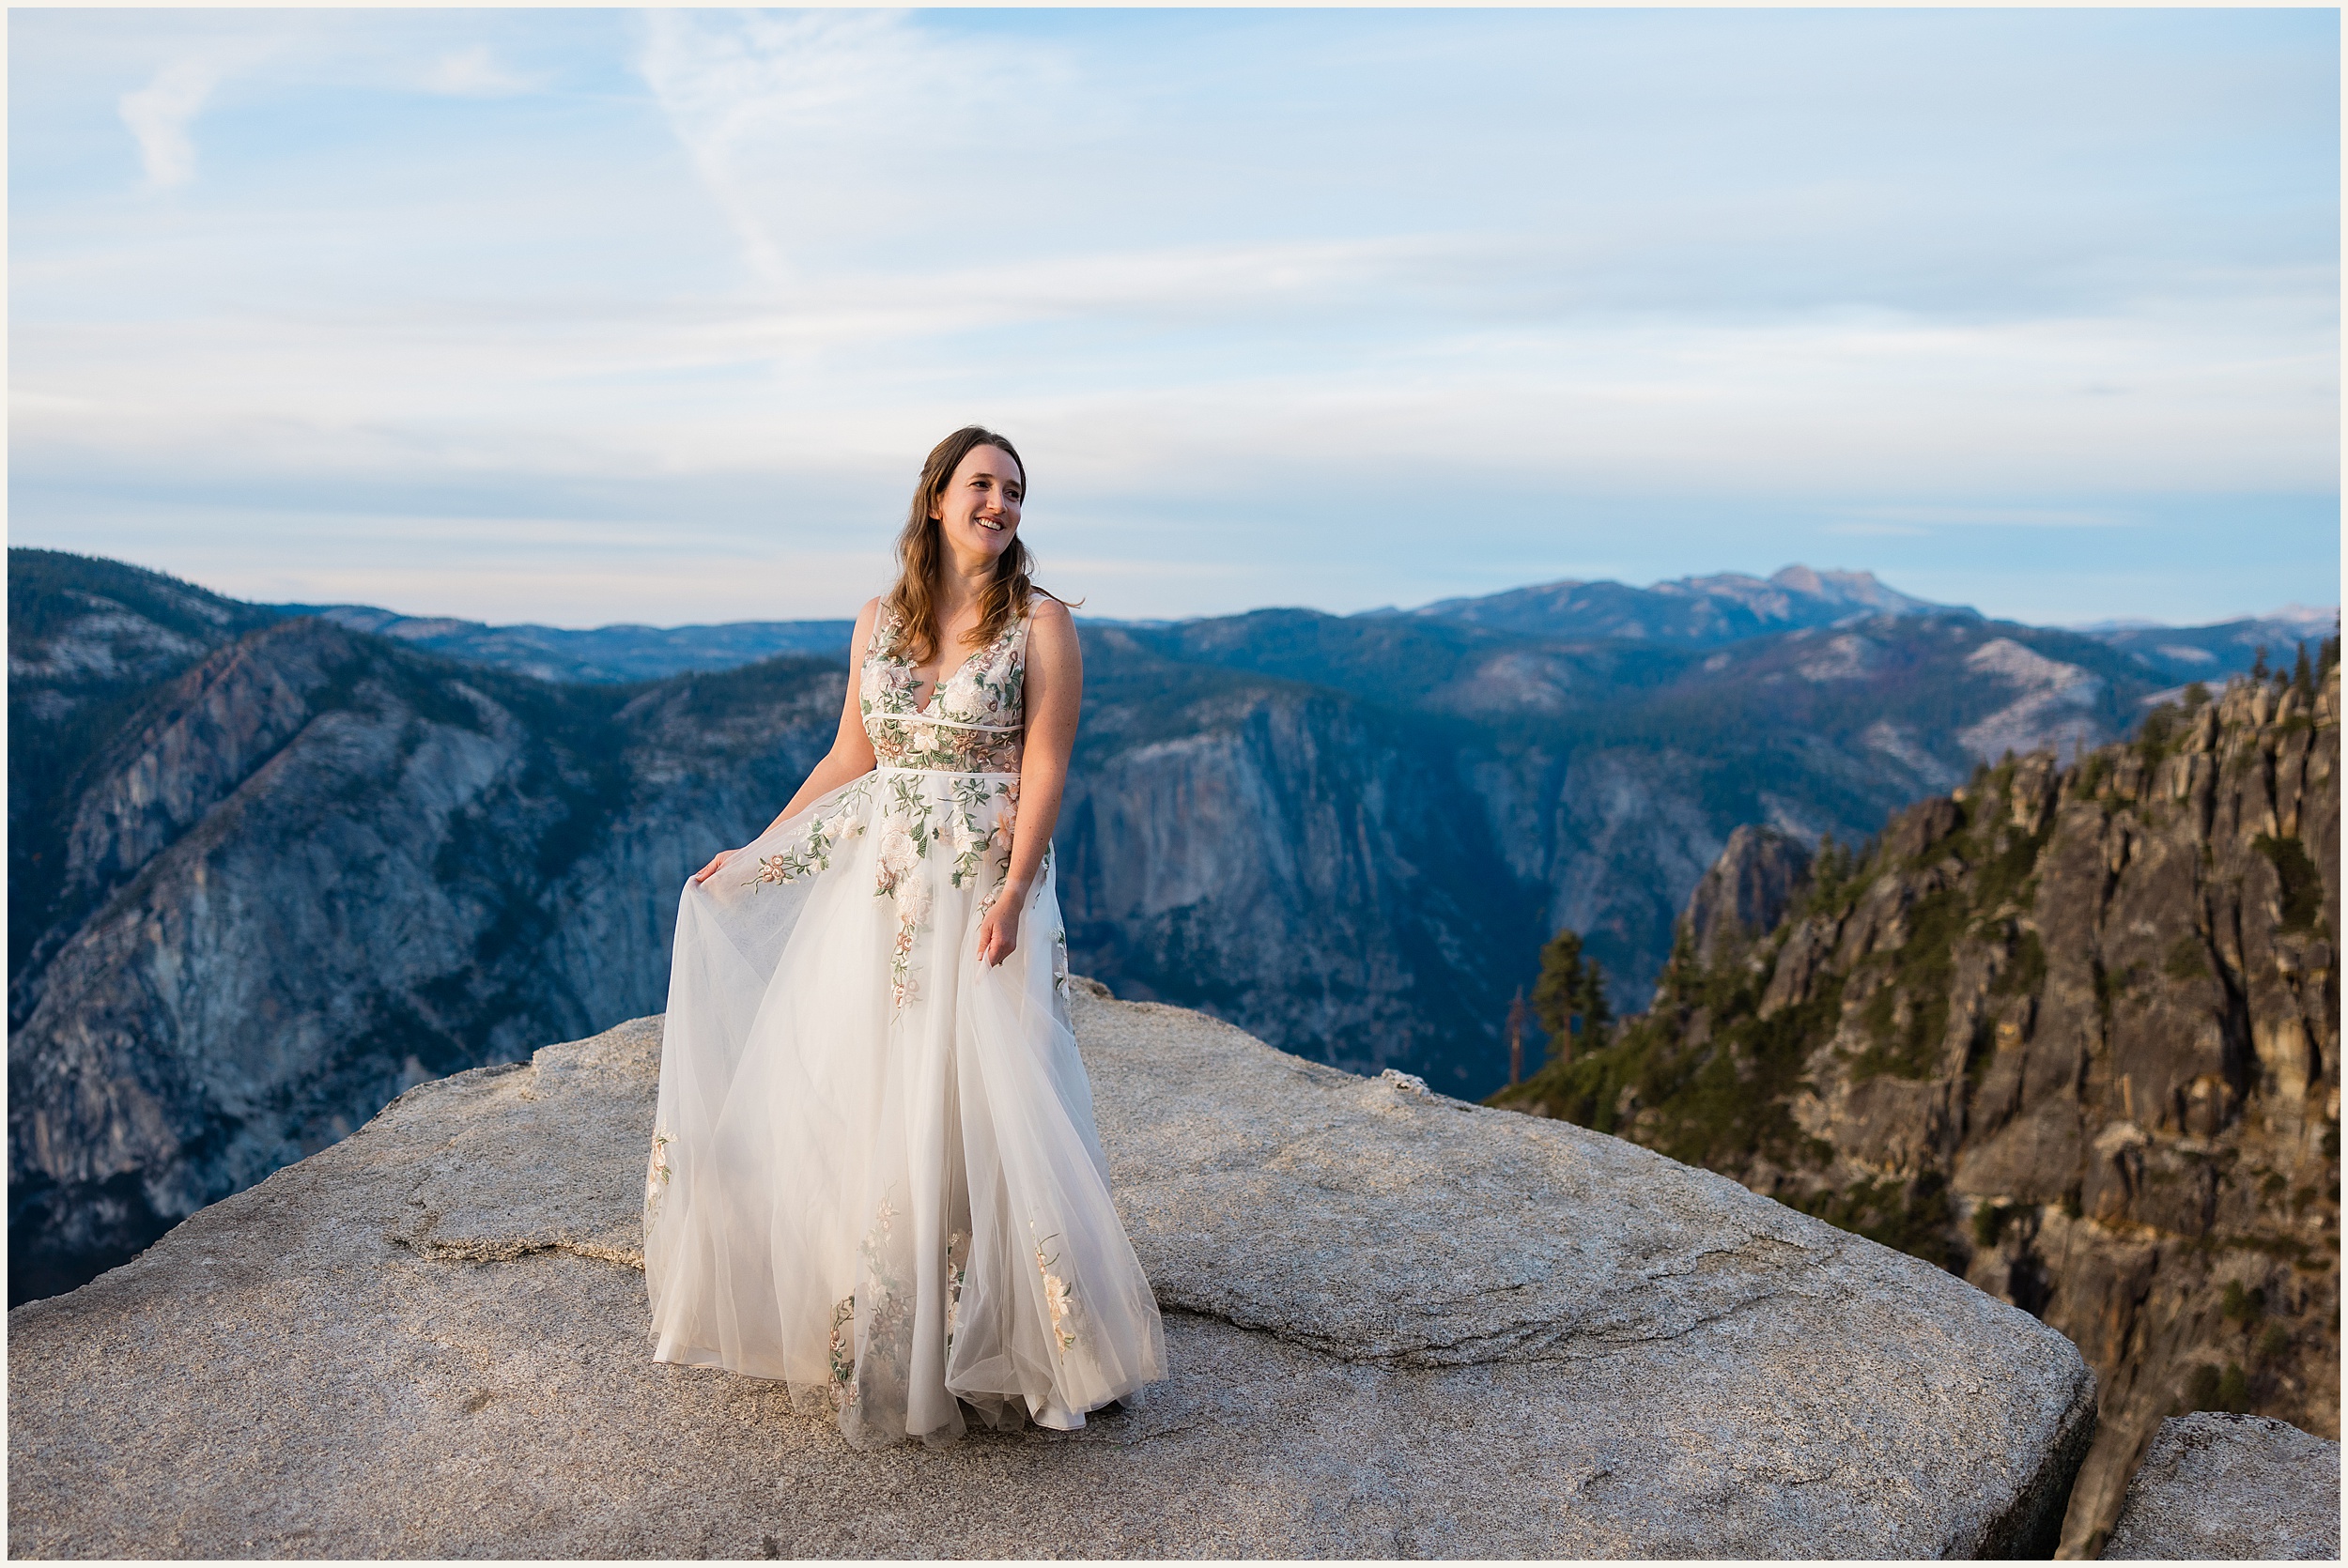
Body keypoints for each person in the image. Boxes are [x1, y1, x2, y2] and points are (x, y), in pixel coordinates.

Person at [642, 426, 1166, 1449]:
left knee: (992, 1095)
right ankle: (903, 1335)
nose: (1001, 503)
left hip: (980, 889)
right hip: (882, 895)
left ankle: (1036, 1339)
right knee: (883, 1093)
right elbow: (854, 751)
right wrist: (753, 851)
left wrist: (1014, 894)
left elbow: (1046, 769)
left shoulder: (1042, 623)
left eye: (1015, 490)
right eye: (982, 484)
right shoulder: (879, 619)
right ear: (936, 498)